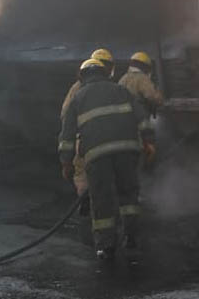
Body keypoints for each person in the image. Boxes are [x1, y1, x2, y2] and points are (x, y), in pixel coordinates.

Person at [58, 54, 148, 262]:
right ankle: (132, 237)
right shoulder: (121, 90)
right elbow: (142, 117)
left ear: (83, 76)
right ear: (105, 73)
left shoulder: (78, 97)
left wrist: (66, 162)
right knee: (129, 196)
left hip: (97, 156)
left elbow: (67, 135)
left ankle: (107, 247)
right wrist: (149, 141)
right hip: (127, 151)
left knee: (102, 200)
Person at [60, 48, 115, 217]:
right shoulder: (108, 88)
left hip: (84, 141)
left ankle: (90, 214)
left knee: (85, 180)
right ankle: (90, 214)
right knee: (89, 180)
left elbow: (65, 115)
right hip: (92, 141)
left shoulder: (77, 88)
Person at [118, 51, 164, 165]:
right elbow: (154, 97)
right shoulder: (142, 79)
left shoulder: (122, 79)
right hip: (139, 123)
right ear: (145, 66)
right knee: (143, 152)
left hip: (122, 126)